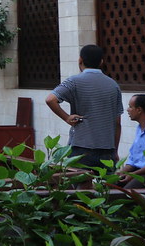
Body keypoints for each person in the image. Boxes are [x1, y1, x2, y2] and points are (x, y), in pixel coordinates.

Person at [45, 44, 123, 172]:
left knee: (80, 189)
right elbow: (117, 123)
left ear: (80, 60)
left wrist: (67, 118)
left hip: (81, 148)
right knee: (106, 189)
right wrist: (115, 151)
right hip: (107, 150)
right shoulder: (113, 85)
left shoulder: (74, 81)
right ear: (101, 62)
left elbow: (50, 99)